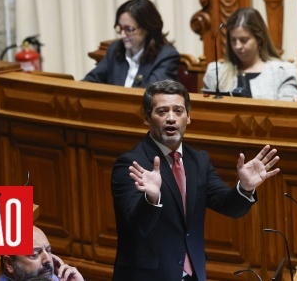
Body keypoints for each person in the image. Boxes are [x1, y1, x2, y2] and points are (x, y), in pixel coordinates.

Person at [111, 80, 280, 281]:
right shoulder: (130, 164)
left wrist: (245, 188)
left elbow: (228, 206)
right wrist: (151, 199)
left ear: (188, 117)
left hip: (193, 274)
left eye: (178, 111)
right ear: (147, 117)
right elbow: (136, 227)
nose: (171, 118)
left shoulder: (198, 161)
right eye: (162, 111)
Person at [202, 8, 297, 101]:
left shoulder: (283, 72)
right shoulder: (215, 73)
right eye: (233, 40)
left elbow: (286, 114)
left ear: (259, 39)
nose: (237, 46)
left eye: (244, 40)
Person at [83, 0, 180, 87]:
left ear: (147, 28)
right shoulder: (115, 49)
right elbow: (91, 81)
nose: (122, 35)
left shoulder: (166, 56)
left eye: (129, 29)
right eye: (120, 28)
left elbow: (152, 97)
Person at [0, 226, 84, 281]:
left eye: (48, 250)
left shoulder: (48, 277)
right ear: (9, 263)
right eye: (35, 254)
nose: (47, 260)